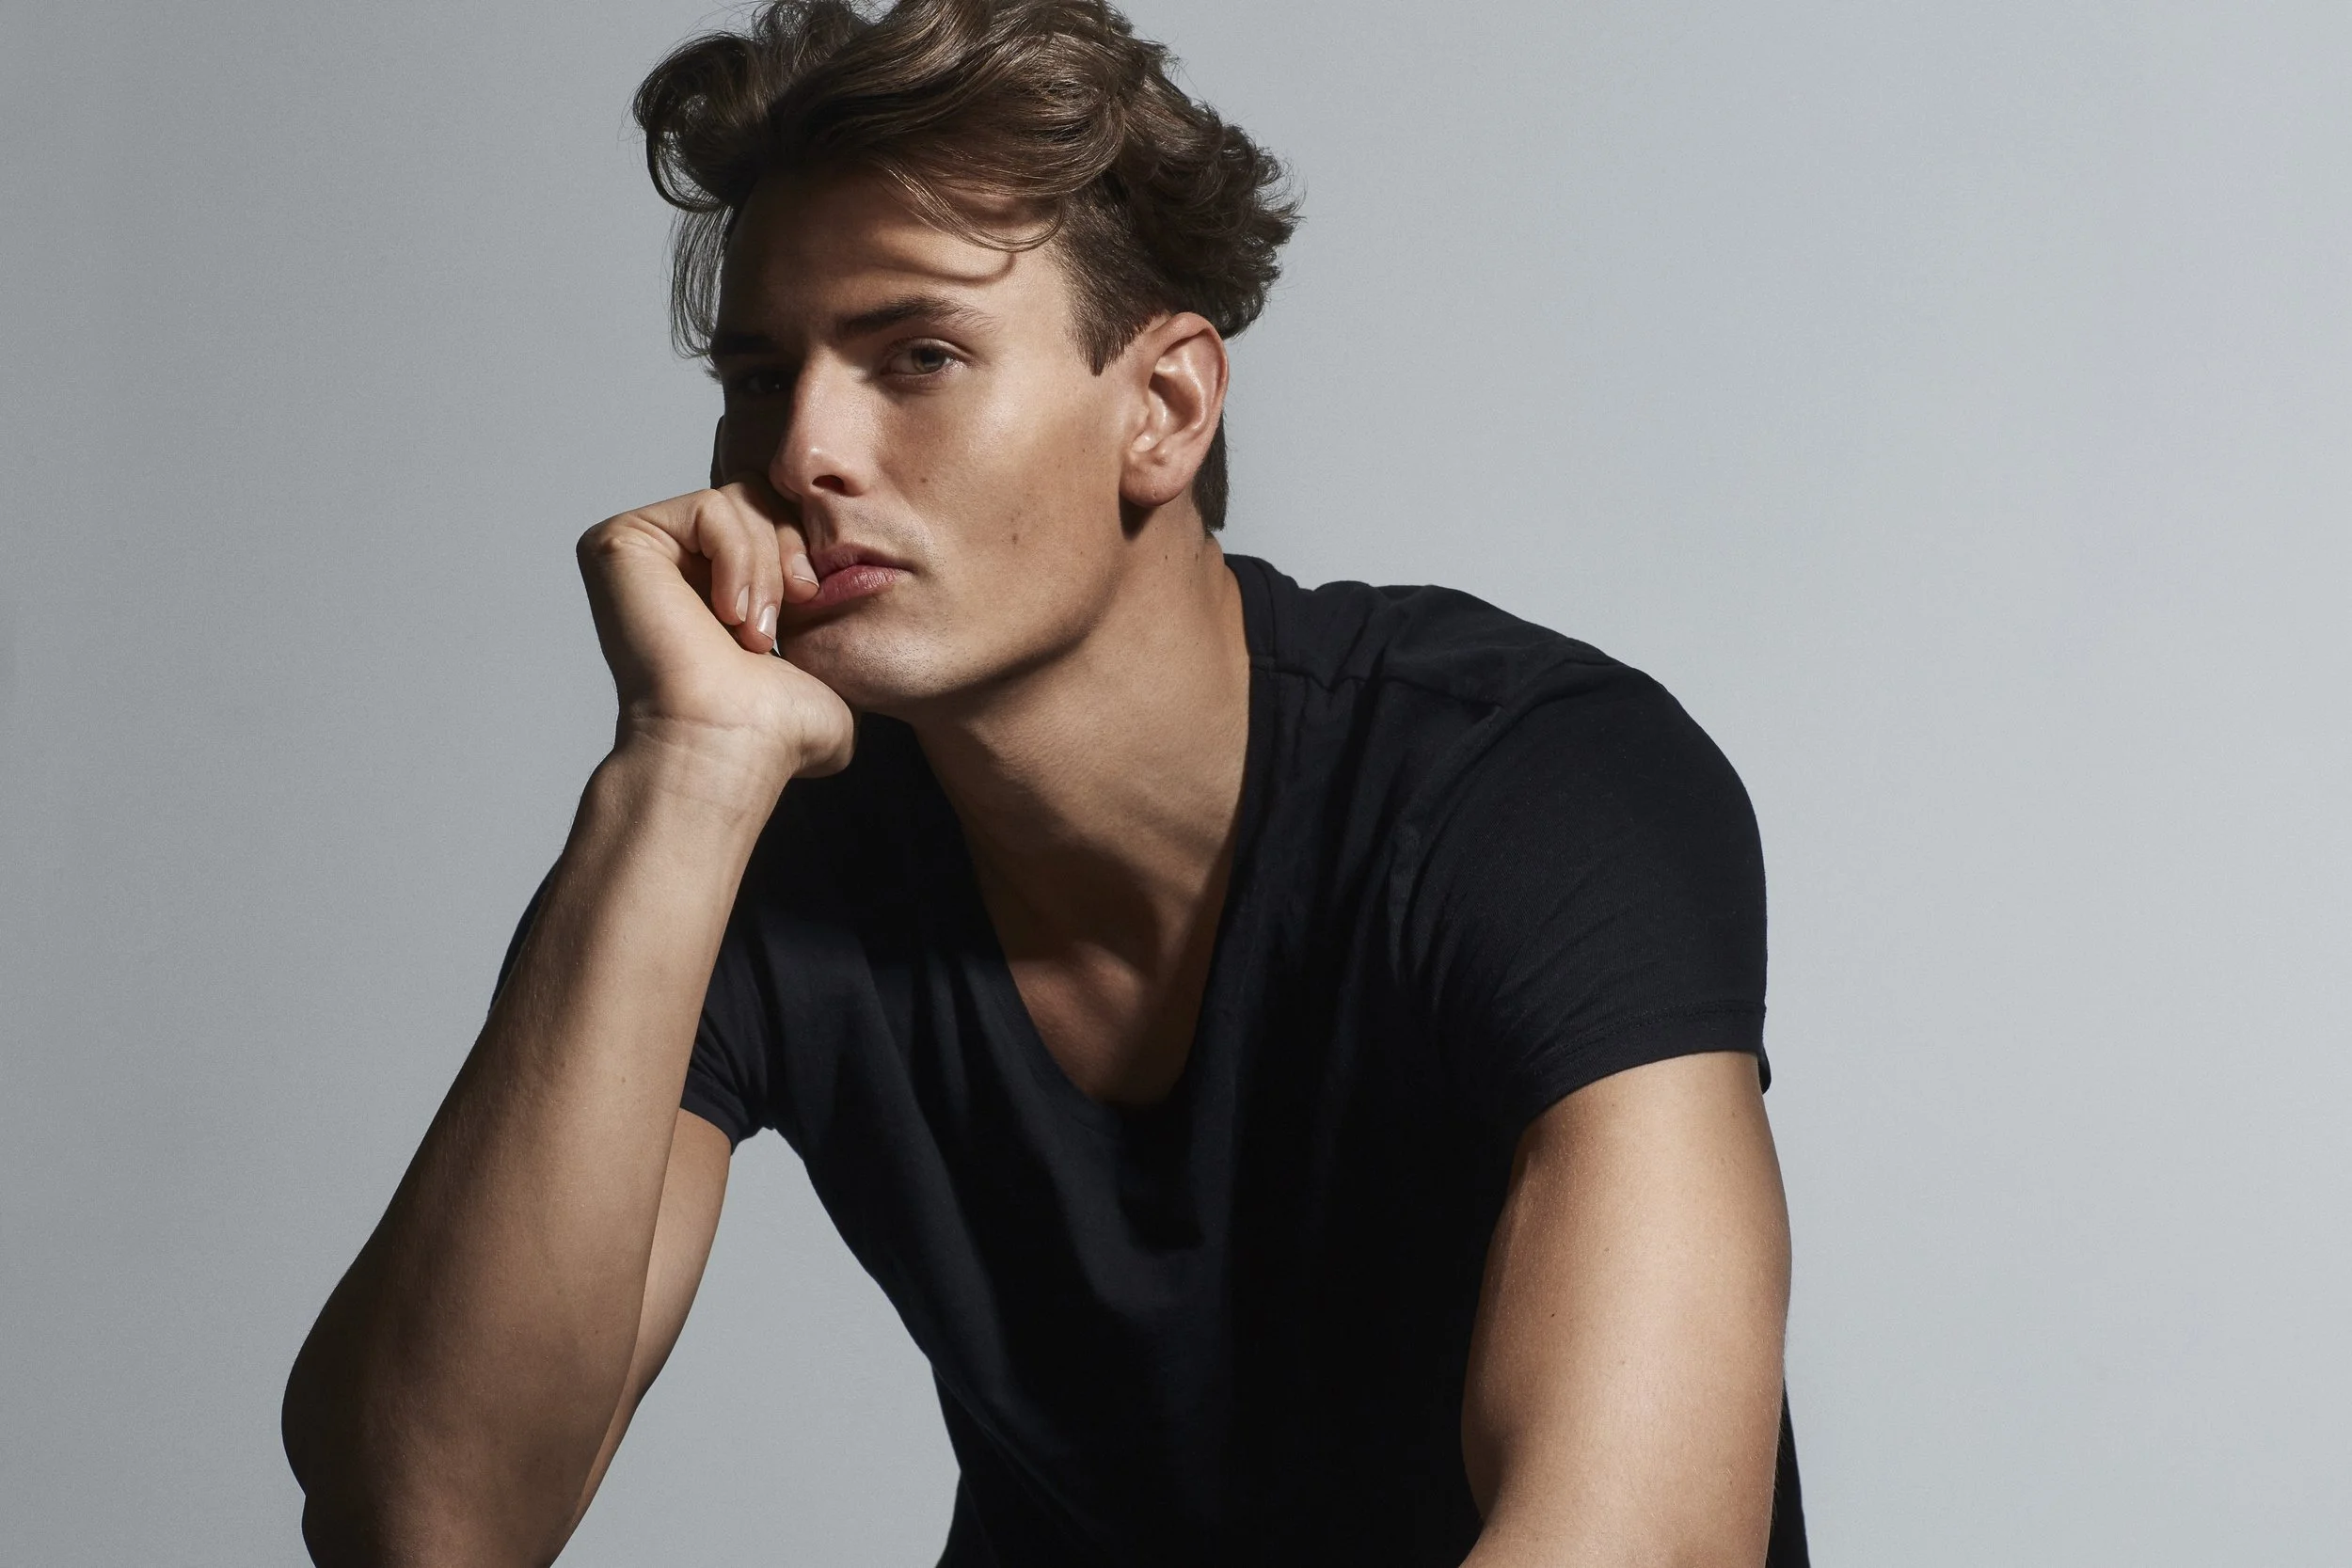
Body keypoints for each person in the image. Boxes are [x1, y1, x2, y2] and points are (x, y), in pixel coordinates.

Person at [280, 2, 1805, 1563]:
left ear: (1164, 409)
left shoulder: (1533, 789)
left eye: (917, 355)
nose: (800, 448)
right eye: (759, 371)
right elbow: (426, 1522)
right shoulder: (750, 835)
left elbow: (1645, 1543)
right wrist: (684, 768)